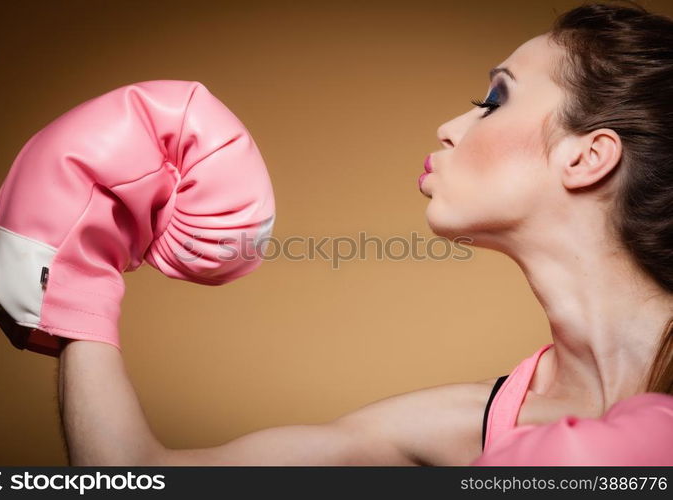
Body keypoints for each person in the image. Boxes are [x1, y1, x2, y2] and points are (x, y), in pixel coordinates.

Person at [55, 2, 672, 465]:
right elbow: (135, 476)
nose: (451, 125)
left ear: (588, 157)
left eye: (493, 98)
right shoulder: (473, 422)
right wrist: (73, 274)